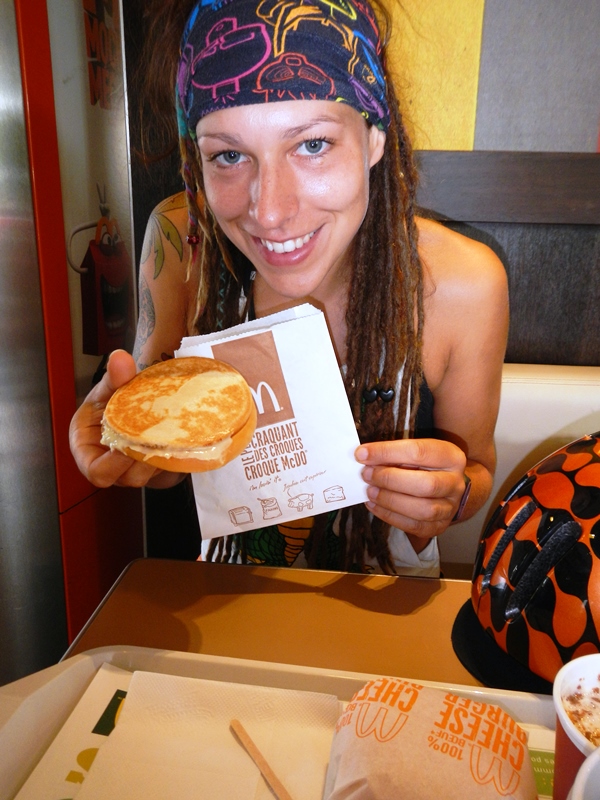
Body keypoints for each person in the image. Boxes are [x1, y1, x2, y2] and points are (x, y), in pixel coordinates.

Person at [70, 0, 508, 576]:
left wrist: (451, 496)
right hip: (232, 599)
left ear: (374, 137)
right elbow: (171, 463)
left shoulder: (463, 284)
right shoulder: (182, 246)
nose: (270, 211)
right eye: (229, 155)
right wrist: (127, 444)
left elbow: (476, 470)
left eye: (312, 144)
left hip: (387, 605)